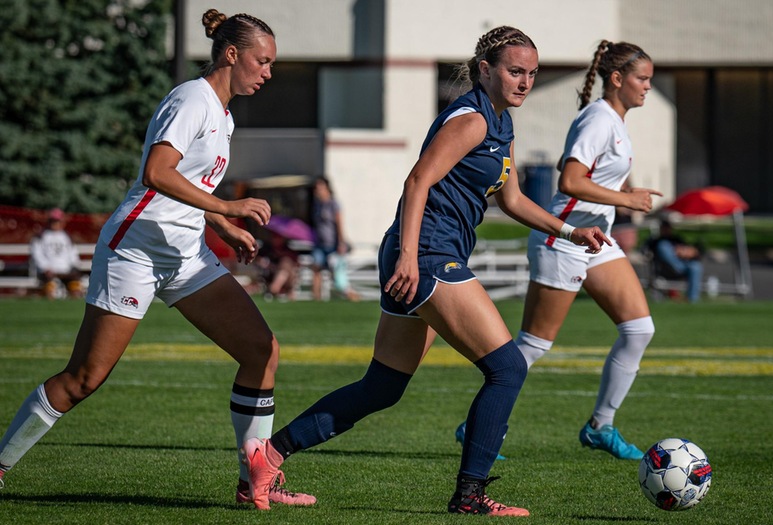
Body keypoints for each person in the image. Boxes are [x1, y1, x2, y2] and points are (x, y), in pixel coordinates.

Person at [239, 26, 609, 515]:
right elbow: (417, 182)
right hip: (429, 257)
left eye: (532, 73)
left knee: (383, 386)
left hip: (424, 254)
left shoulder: (501, 123)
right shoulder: (472, 119)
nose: (525, 81)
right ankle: (470, 496)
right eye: (514, 71)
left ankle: (268, 456)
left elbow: (513, 198)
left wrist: (569, 231)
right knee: (507, 368)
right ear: (485, 70)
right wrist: (411, 257)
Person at [0, 9, 314, 507]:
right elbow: (157, 173)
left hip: (184, 253)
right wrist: (228, 205)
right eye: (263, 61)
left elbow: (189, 187)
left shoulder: (223, 114)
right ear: (232, 54)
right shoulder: (193, 98)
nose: (269, 73)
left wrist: (222, 225)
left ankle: (254, 481)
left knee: (261, 350)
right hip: (138, 248)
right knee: (85, 378)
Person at [457, 41, 661, 462]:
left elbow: (594, 178)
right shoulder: (599, 120)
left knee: (639, 329)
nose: (647, 87)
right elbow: (569, 180)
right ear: (617, 79)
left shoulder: (616, 123)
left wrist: (620, 193)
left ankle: (600, 427)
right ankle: (474, 428)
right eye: (642, 79)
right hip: (564, 240)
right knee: (532, 346)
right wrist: (627, 201)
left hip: (597, 241)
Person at [309, 176, 360, 301]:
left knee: (337, 276)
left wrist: (341, 242)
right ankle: (316, 299)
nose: (318, 191)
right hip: (320, 244)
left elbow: (339, 224)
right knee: (316, 267)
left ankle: (352, 295)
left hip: (333, 245)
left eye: (320, 187)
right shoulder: (317, 205)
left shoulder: (333, 204)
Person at [29, 208, 84, 299]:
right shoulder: (41, 236)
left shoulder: (66, 236)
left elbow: (72, 254)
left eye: (57, 221)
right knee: (50, 290)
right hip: (48, 271)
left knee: (76, 289)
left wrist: (74, 266)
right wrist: (45, 268)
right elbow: (37, 254)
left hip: (66, 271)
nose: (55, 223)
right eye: (53, 221)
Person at [649, 219, 703, 303]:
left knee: (695, 266)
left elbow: (693, 253)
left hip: (682, 265)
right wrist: (673, 251)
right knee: (663, 246)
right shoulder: (655, 241)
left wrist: (684, 252)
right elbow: (646, 252)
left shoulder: (677, 239)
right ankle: (679, 268)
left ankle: (692, 299)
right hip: (664, 268)